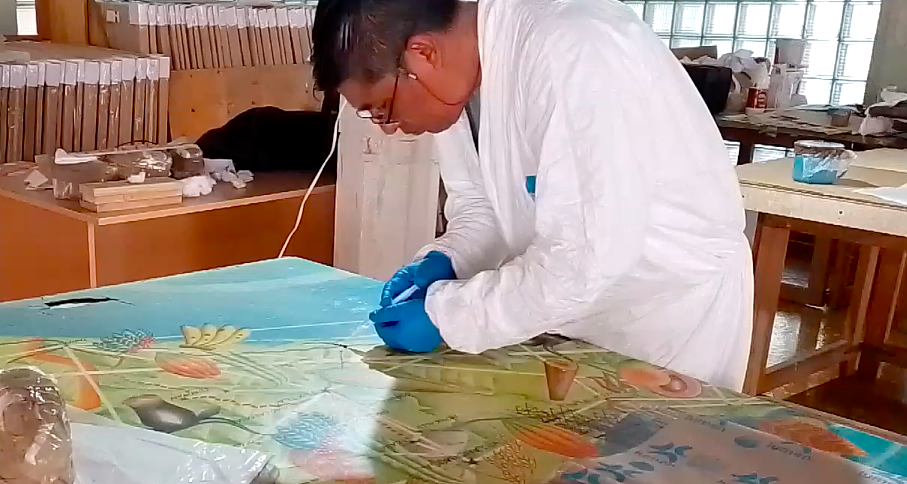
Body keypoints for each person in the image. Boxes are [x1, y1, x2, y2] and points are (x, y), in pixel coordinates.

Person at [311, 0, 754, 390]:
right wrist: (448, 259)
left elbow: (585, 260)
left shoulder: (573, 48)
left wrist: (447, 315)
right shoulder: (459, 78)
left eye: (381, 108)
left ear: (423, 54)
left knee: (654, 454)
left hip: (666, 316)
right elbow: (486, 207)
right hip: (576, 318)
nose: (388, 129)